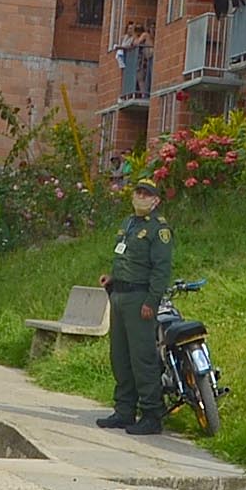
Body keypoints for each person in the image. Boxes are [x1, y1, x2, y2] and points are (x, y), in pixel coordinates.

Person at [98, 180, 175, 435]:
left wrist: (151, 302)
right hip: (120, 295)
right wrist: (112, 278)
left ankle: (152, 414)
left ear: (156, 201)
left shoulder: (158, 230)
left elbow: (161, 269)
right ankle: (124, 410)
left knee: (142, 358)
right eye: (138, 192)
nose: (141, 197)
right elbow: (126, 258)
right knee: (120, 357)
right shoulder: (129, 223)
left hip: (140, 299)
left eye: (147, 194)